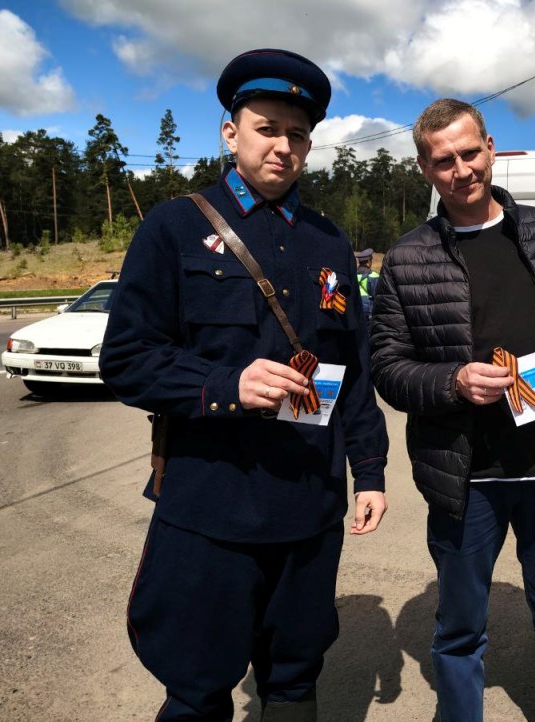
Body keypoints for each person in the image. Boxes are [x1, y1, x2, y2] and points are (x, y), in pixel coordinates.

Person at [99, 48, 389, 722]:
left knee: (293, 679)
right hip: (210, 507)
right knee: (198, 686)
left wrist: (369, 472)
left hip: (308, 508)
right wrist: (225, 385)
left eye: (297, 133)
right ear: (232, 133)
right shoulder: (173, 227)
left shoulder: (328, 242)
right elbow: (128, 358)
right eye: (267, 127)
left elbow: (354, 369)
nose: (283, 146)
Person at [369, 98, 535, 722]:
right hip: (466, 482)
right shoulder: (408, 258)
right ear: (424, 170)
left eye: (468, 153)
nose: (461, 170)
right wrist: (452, 381)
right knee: (460, 629)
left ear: (489, 147)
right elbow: (385, 365)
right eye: (443, 161)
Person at [354, 247, 379, 326]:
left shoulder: (353, 274)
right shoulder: (373, 276)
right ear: (368, 262)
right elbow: (377, 296)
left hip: (354, 308)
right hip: (368, 310)